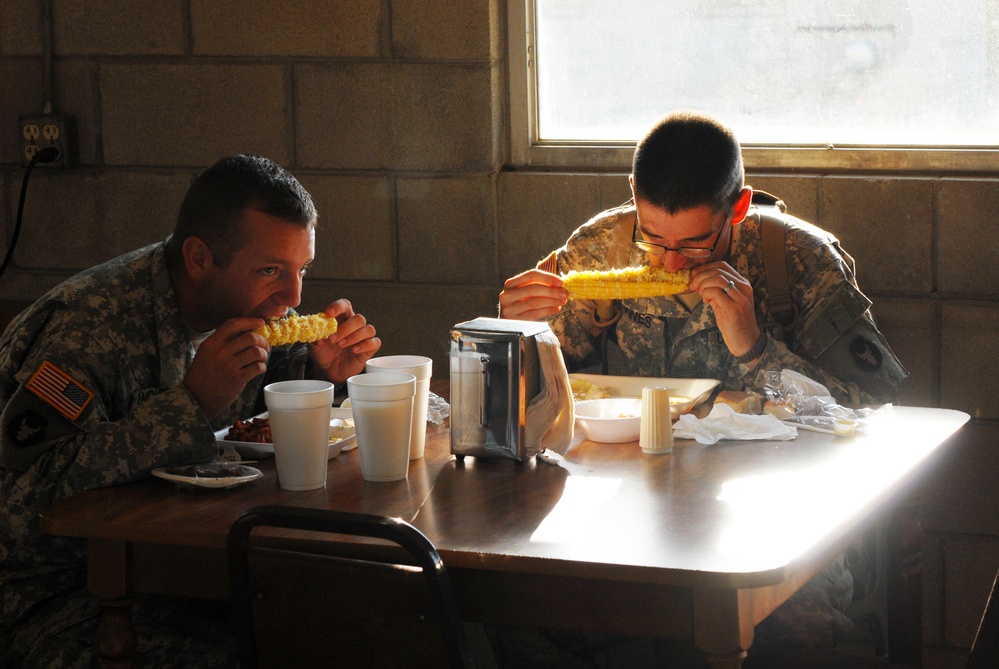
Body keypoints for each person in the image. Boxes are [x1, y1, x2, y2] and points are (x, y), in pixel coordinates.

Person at [496, 111, 909, 664]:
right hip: (624, 507)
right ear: (633, 196)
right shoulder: (599, 249)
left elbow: (873, 413)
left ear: (737, 207)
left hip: (779, 512)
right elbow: (532, 401)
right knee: (526, 619)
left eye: (693, 244)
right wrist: (512, 335)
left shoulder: (798, 260)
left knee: (792, 633)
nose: (669, 262)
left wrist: (756, 349)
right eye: (653, 238)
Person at [0, 154, 381, 668]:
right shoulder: (85, 329)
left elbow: (252, 417)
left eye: (301, 270)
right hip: (59, 595)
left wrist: (319, 374)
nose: (292, 297)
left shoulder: (247, 310)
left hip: (190, 564)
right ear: (199, 258)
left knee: (361, 625)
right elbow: (21, 505)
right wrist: (192, 405)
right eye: (270, 270)